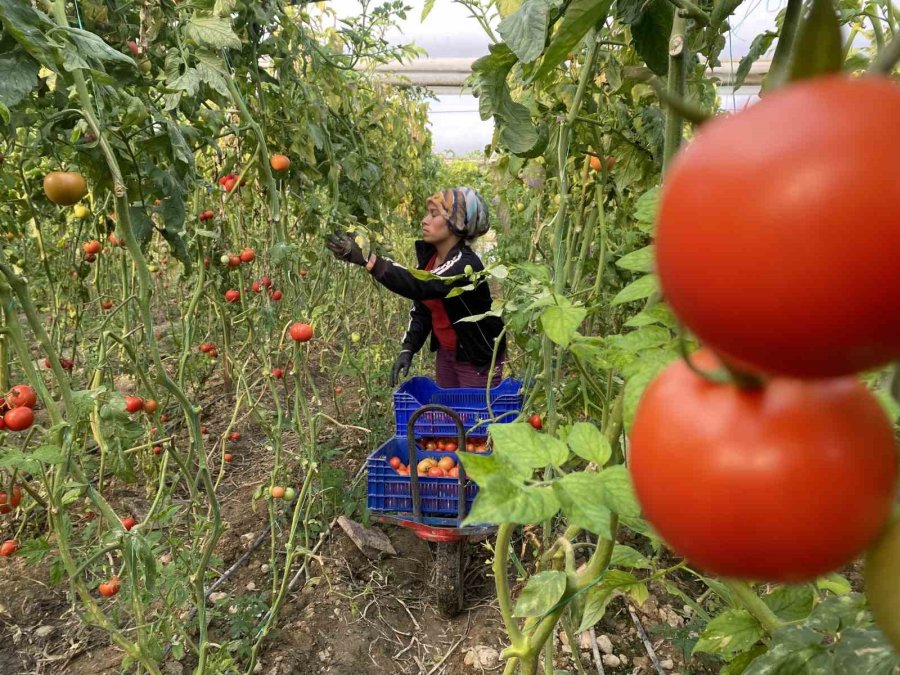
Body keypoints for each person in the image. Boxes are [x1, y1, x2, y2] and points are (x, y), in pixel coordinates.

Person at [327, 187, 506, 389]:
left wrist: (370, 261)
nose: (424, 220)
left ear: (457, 223)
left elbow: (422, 285)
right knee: (450, 414)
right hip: (448, 353)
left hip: (477, 357)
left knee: (475, 417)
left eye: (434, 214)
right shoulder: (431, 259)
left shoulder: (465, 265)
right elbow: (423, 307)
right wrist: (408, 348)